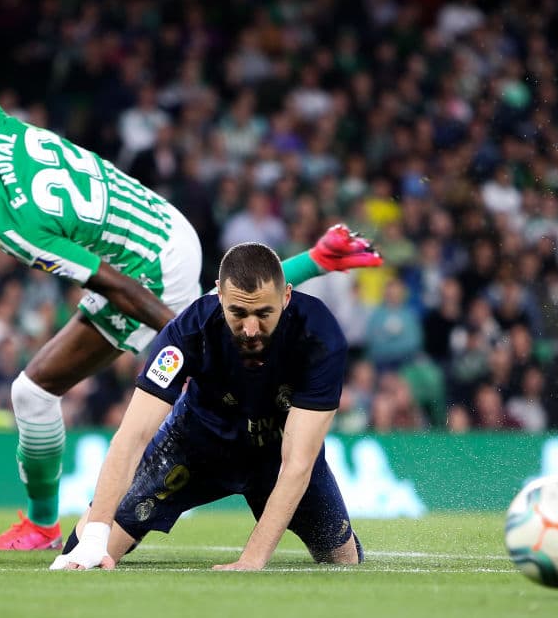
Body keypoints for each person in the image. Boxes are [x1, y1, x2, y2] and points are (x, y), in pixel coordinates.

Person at [0, 1, 384, 551]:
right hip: (155, 223)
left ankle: (87, 521)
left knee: (208, 347)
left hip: (148, 261)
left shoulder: (18, 225)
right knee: (33, 393)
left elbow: (118, 287)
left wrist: (184, 336)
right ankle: (39, 527)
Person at [51, 243, 362, 571]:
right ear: (218, 295)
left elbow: (298, 463)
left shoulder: (321, 337)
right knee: (82, 557)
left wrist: (252, 560)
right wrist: (94, 539)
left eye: (264, 313)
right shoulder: (188, 331)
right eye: (238, 313)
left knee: (344, 562)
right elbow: (130, 438)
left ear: (286, 297)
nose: (251, 329)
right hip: (194, 448)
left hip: (277, 454)